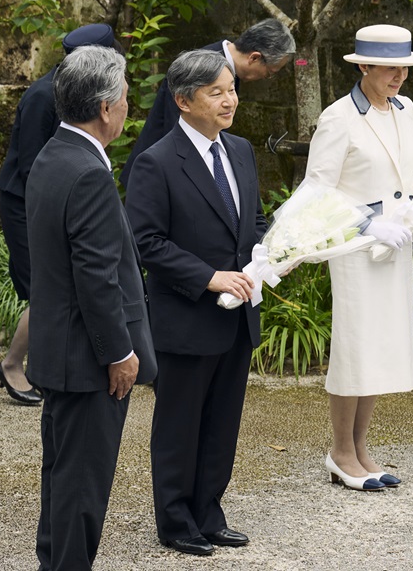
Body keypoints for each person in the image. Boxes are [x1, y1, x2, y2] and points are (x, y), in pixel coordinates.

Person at [125, 50, 268, 557]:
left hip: (237, 318)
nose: (230, 100)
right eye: (217, 92)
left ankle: (209, 511)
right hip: (186, 317)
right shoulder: (156, 161)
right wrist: (210, 279)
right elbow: (146, 241)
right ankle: (175, 520)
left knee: (222, 422)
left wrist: (277, 252)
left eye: (231, 89)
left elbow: (250, 224)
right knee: (179, 424)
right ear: (184, 101)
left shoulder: (242, 151)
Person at [25, 44, 157, 569]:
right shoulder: (89, 174)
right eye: (125, 98)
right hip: (88, 362)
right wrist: (119, 353)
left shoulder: (51, 156)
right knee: (81, 493)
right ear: (105, 109)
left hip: (59, 352)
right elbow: (97, 279)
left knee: (61, 483)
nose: (129, 107)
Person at [305, 24, 413, 491]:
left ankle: (362, 449)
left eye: (404, 67)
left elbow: (406, 177)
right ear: (363, 65)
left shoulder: (404, 110)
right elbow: (317, 191)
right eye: (390, 67)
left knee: (380, 348)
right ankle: (341, 451)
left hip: (395, 243)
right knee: (355, 348)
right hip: (355, 246)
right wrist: (367, 223)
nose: (399, 76)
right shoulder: (338, 117)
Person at [0, 23, 123, 405]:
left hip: (58, 200)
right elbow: (35, 166)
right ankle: (14, 364)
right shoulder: (42, 96)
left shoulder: (77, 93)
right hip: (27, 203)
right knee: (44, 289)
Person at [118, 18, 296, 189]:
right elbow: (177, 131)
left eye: (231, 91)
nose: (267, 77)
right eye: (270, 72)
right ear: (254, 58)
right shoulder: (199, 67)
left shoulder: (229, 68)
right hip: (157, 180)